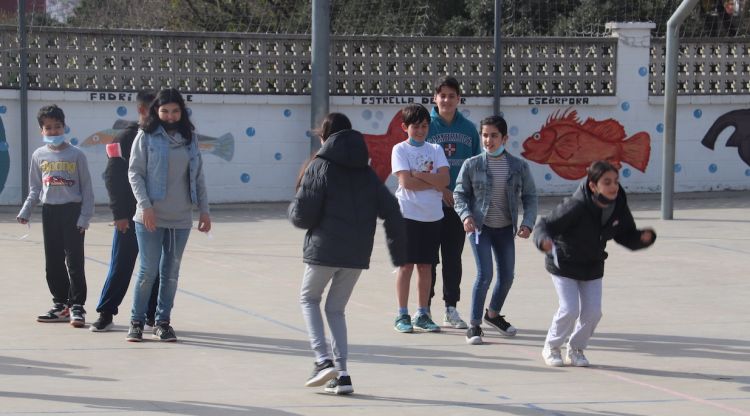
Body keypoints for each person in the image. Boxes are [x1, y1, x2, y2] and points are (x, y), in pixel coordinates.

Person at [290, 113, 406, 395]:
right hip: (355, 254)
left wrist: (292, 210)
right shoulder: (366, 172)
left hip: (324, 250)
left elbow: (303, 217)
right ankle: (342, 374)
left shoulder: (319, 166)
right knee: (336, 309)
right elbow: (392, 210)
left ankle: (322, 361)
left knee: (309, 299)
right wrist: (398, 253)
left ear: (324, 138)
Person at [534, 161, 656, 367]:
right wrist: (543, 240)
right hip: (564, 264)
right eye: (607, 182)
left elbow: (625, 235)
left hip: (592, 265)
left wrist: (642, 238)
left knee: (593, 312)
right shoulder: (576, 205)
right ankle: (551, 346)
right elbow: (545, 225)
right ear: (593, 186)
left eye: (616, 181)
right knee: (569, 309)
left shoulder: (618, 206)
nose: (613, 186)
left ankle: (576, 349)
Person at [127, 88, 211, 342]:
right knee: (147, 271)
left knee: (171, 272)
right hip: (150, 217)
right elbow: (135, 173)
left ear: (182, 112)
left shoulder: (190, 138)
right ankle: (137, 321)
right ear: (156, 111)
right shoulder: (146, 136)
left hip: (181, 217)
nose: (171, 115)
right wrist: (146, 206)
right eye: (165, 111)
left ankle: (163, 321)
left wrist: (204, 210)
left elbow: (198, 176)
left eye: (175, 111)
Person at [454, 115, 538, 345]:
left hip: (504, 229)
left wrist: (528, 223)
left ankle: (492, 315)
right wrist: (466, 216)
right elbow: (459, 194)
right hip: (480, 228)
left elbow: (530, 197)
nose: (488, 140)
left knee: (507, 276)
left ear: (504, 138)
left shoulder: (519, 166)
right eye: (485, 135)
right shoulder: (472, 164)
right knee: (485, 275)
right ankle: (474, 325)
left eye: (493, 135)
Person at [17, 104, 94, 328]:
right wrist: (26, 210)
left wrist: (85, 218)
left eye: (57, 127)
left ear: (64, 127)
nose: (53, 132)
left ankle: (77, 306)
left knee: (75, 262)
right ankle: (61, 304)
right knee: (53, 262)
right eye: (48, 128)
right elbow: (34, 188)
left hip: (72, 212)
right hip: (50, 212)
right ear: (42, 131)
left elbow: (87, 190)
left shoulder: (77, 155)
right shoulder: (38, 155)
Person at [90, 90, 159, 332]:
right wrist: (119, 214)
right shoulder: (124, 137)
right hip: (130, 216)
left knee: (156, 267)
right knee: (121, 264)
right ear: (142, 110)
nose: (161, 114)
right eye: (155, 108)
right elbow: (112, 176)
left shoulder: (166, 138)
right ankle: (106, 313)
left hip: (159, 215)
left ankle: (153, 316)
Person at [425, 76, 481, 329]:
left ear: (459, 98)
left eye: (451, 95)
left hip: (458, 205)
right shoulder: (425, 127)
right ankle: (423, 308)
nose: (446, 100)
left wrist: (467, 197)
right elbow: (419, 166)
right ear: (434, 98)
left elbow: (475, 168)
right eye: (442, 95)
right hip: (428, 203)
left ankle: (451, 308)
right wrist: (441, 188)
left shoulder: (469, 129)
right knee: (428, 259)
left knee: (452, 257)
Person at [391, 103, 449, 333]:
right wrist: (430, 179)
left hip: (433, 217)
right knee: (406, 266)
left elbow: (444, 180)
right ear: (405, 127)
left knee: (426, 267)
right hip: (407, 215)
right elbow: (406, 183)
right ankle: (402, 314)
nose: (420, 131)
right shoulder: (400, 150)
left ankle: (423, 313)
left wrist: (419, 175)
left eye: (424, 126)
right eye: (415, 126)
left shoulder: (436, 149)